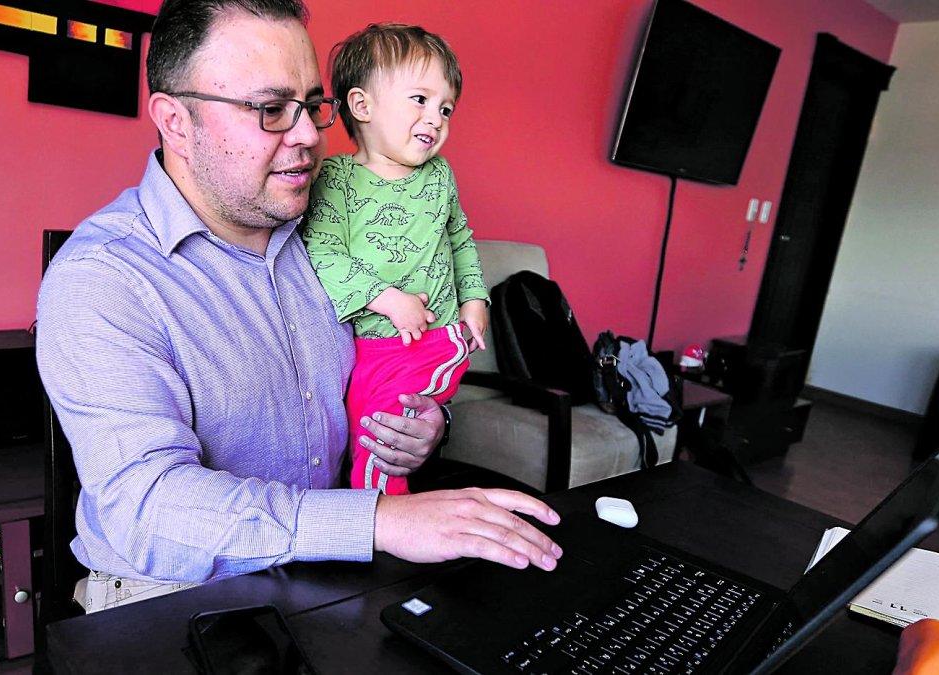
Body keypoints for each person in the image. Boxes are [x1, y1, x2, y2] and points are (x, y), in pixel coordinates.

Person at [35, 0, 562, 613]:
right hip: (172, 597)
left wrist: (423, 429)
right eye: (271, 109)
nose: (310, 135)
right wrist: (377, 521)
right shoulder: (103, 278)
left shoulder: (327, 228)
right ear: (176, 121)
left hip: (326, 573)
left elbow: (393, 363)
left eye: (313, 105)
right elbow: (148, 507)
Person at [302, 24, 487, 496]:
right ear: (362, 106)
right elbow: (323, 253)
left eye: (446, 108)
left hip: (430, 340)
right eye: (420, 100)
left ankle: (381, 512)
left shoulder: (439, 176)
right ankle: (372, 515)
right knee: (366, 432)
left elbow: (461, 240)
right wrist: (387, 299)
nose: (436, 119)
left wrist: (475, 300)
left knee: (382, 443)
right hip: (371, 346)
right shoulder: (336, 179)